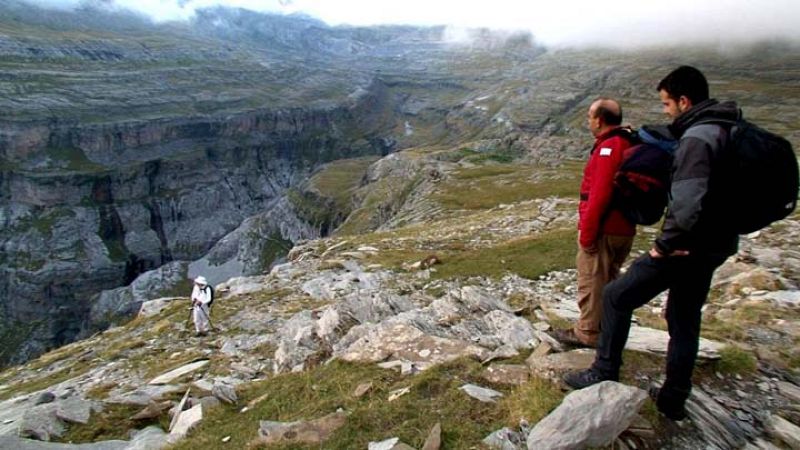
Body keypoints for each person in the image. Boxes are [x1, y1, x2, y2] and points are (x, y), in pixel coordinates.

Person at [564, 66, 740, 421]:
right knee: (684, 318)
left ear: (684, 100)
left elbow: (687, 200)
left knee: (615, 295)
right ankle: (674, 398)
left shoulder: (697, 137)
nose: (665, 111)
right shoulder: (731, 132)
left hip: (682, 246)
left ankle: (603, 368)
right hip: (716, 244)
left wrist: (665, 244)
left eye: (666, 103)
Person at [551, 97, 636, 348]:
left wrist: (587, 234)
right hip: (624, 228)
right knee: (609, 281)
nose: (588, 121)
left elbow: (599, 194)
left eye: (589, 116)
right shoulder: (627, 143)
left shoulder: (609, 148)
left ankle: (587, 333)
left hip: (604, 229)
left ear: (599, 120)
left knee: (592, 279)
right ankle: (605, 331)